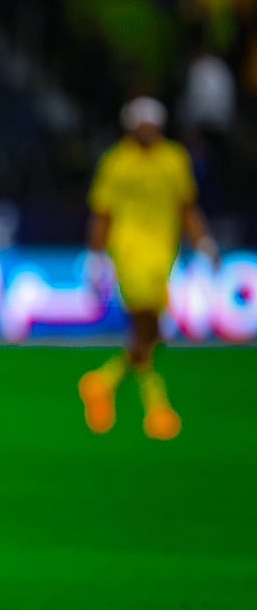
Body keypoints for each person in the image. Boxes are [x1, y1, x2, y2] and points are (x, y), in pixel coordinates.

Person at [79, 96, 219, 441]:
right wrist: (96, 257)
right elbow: (102, 212)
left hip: (163, 254)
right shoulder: (117, 162)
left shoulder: (174, 160)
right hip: (129, 252)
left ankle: (102, 382)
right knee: (147, 326)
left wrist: (203, 242)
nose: (147, 129)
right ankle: (157, 407)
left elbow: (187, 207)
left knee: (151, 333)